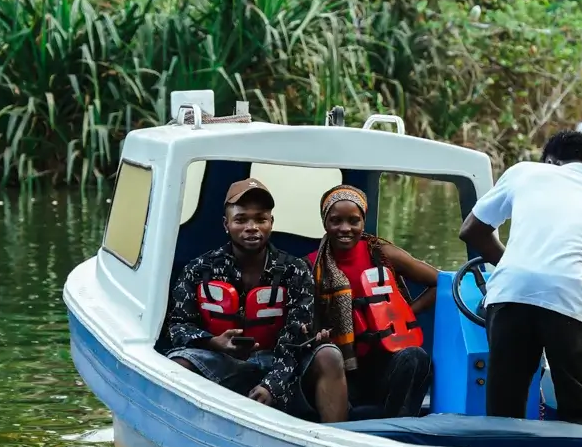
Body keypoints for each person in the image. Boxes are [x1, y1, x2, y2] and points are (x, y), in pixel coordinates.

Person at [458, 130, 582, 424]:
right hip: (569, 302)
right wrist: (574, 334)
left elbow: (471, 230)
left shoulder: (524, 172)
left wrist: (512, 266)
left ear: (550, 161)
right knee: (577, 410)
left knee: (504, 406)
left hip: (508, 294)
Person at [160, 177, 350, 423]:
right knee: (177, 364)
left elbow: (296, 337)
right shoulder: (199, 269)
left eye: (261, 219)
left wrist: (272, 386)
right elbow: (177, 326)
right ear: (226, 224)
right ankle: (182, 436)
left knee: (329, 356)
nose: (252, 227)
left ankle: (336, 444)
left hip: (279, 361)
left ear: (271, 222)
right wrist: (213, 342)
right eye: (241, 220)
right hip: (222, 362)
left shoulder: (295, 269)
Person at [306, 185, 437, 420]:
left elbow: (442, 283)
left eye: (353, 221)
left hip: (383, 362)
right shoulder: (310, 266)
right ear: (325, 223)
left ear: (363, 222)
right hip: (340, 369)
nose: (345, 228)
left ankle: (397, 432)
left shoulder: (381, 253)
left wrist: (405, 314)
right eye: (336, 221)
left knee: (416, 358)